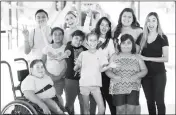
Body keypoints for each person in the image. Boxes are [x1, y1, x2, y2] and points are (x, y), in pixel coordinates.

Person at [74, 32, 116, 114]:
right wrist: (78, 65)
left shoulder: (100, 54)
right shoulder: (83, 54)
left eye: (94, 40)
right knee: (86, 108)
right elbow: (75, 68)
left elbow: (101, 69)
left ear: (97, 42)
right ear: (87, 42)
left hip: (96, 85)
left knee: (102, 108)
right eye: (90, 40)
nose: (92, 42)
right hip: (84, 85)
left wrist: (109, 66)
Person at [106, 34, 148, 114]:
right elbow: (108, 70)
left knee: (131, 110)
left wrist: (137, 75)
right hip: (118, 87)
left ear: (133, 44)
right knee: (120, 110)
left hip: (133, 87)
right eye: (123, 43)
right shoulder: (114, 56)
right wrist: (114, 76)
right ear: (119, 44)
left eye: (129, 43)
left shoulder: (137, 57)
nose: (126, 45)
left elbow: (144, 70)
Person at [136, 12, 169, 115]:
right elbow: (136, 54)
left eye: (153, 20)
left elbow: (166, 58)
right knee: (150, 102)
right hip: (145, 75)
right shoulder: (142, 36)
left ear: (157, 22)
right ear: (146, 23)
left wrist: (146, 58)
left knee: (159, 102)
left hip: (159, 74)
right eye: (148, 21)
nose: (151, 23)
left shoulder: (162, 37)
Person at [92, 17, 116, 115]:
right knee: (100, 102)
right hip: (94, 74)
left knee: (110, 99)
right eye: (102, 24)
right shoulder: (93, 37)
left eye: (107, 25)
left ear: (110, 28)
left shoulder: (109, 40)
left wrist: (108, 67)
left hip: (105, 73)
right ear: (98, 25)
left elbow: (112, 55)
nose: (104, 27)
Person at [42, 27, 67, 110]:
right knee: (49, 99)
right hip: (48, 78)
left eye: (60, 34)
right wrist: (49, 75)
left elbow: (67, 65)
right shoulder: (47, 48)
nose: (57, 36)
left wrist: (59, 76)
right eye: (55, 34)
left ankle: (61, 111)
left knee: (58, 97)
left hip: (61, 78)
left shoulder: (66, 48)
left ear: (63, 36)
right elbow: (42, 63)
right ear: (51, 36)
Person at [64, 30, 87, 114]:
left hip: (83, 81)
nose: (78, 41)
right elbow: (67, 52)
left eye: (81, 40)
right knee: (69, 103)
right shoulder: (68, 47)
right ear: (72, 38)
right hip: (70, 80)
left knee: (84, 103)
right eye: (76, 38)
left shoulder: (84, 49)